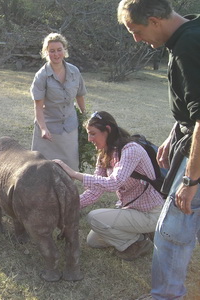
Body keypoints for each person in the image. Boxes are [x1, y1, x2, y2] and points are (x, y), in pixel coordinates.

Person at [117, 0, 200, 298]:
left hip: (197, 157)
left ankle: (165, 295)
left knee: (171, 232)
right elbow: (190, 111)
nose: (137, 39)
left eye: (136, 31)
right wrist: (174, 132)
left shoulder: (189, 46)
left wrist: (191, 180)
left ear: (154, 20)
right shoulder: (190, 32)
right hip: (189, 139)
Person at [54, 111, 164, 261]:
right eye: (88, 134)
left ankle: (138, 243)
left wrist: (74, 174)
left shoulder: (131, 149)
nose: (89, 139)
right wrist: (67, 206)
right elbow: (94, 192)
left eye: (93, 134)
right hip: (131, 209)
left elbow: (114, 182)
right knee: (93, 241)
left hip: (151, 213)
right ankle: (139, 234)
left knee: (94, 217)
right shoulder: (105, 154)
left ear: (108, 130)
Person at [30, 32, 87, 171]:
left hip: (69, 125)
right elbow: (38, 107)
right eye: (52, 51)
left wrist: (85, 117)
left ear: (64, 50)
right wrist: (43, 129)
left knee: (70, 167)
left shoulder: (74, 72)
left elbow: (80, 96)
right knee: (43, 168)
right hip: (49, 128)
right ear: (46, 53)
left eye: (59, 50)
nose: (56, 54)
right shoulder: (41, 76)